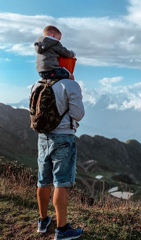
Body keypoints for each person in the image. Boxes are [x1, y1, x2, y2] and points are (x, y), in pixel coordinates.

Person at [31, 78, 85, 239]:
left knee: (43, 180)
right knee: (61, 182)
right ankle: (62, 230)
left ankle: (43, 221)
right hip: (62, 138)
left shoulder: (37, 84)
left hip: (42, 138)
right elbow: (78, 114)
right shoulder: (70, 84)